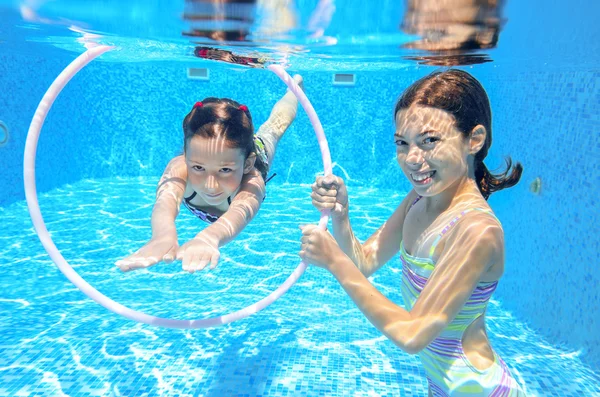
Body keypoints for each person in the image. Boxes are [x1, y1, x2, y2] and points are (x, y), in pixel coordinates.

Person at [299, 70, 526, 395]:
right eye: (402, 144)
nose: (412, 159)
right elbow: (365, 261)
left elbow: (413, 333)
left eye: (429, 141)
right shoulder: (421, 198)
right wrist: (341, 216)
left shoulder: (478, 230)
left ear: (473, 140)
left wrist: (334, 260)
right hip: (443, 384)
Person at [116, 74, 303, 273]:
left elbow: (239, 214)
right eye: (198, 168)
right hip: (232, 154)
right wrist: (162, 236)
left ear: (245, 164)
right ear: (186, 157)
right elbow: (165, 203)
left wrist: (208, 238)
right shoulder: (179, 168)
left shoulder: (252, 182)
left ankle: (294, 90)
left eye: (225, 170)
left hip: (256, 152)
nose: (210, 185)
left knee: (274, 128)